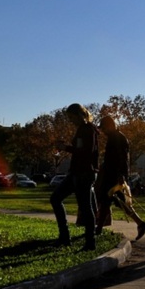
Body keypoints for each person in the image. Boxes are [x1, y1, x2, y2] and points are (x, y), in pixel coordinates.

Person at [50, 104, 100, 250]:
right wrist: (66, 147)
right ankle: (65, 237)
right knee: (56, 198)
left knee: (85, 207)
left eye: (71, 117)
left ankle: (90, 242)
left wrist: (65, 148)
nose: (70, 121)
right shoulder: (83, 129)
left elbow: (86, 152)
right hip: (76, 172)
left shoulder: (88, 129)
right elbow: (80, 150)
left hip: (84, 172)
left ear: (79, 114)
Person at [95, 115, 145, 241]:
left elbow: (123, 159)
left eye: (103, 128)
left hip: (114, 176)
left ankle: (98, 229)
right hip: (111, 174)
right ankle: (141, 224)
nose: (102, 131)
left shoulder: (118, 138)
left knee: (106, 200)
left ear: (109, 126)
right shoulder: (114, 137)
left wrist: (122, 175)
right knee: (113, 202)